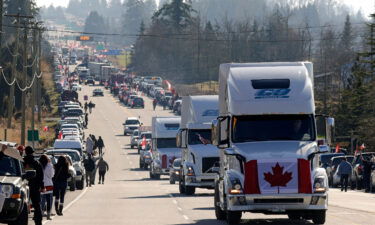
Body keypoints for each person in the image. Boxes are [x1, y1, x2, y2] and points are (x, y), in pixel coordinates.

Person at [24, 146, 44, 225]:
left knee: (23, 206)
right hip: (35, 187)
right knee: (37, 205)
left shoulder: (22, 162)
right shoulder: (37, 163)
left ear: (25, 152)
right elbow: (41, 176)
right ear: (32, 152)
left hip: (23, 186)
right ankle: (38, 221)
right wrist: (41, 186)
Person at [39, 155, 54, 220]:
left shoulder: (39, 166)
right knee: (49, 200)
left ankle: (41, 212)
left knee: (42, 200)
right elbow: (52, 175)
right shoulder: (50, 165)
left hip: (42, 184)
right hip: (49, 184)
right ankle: (48, 214)